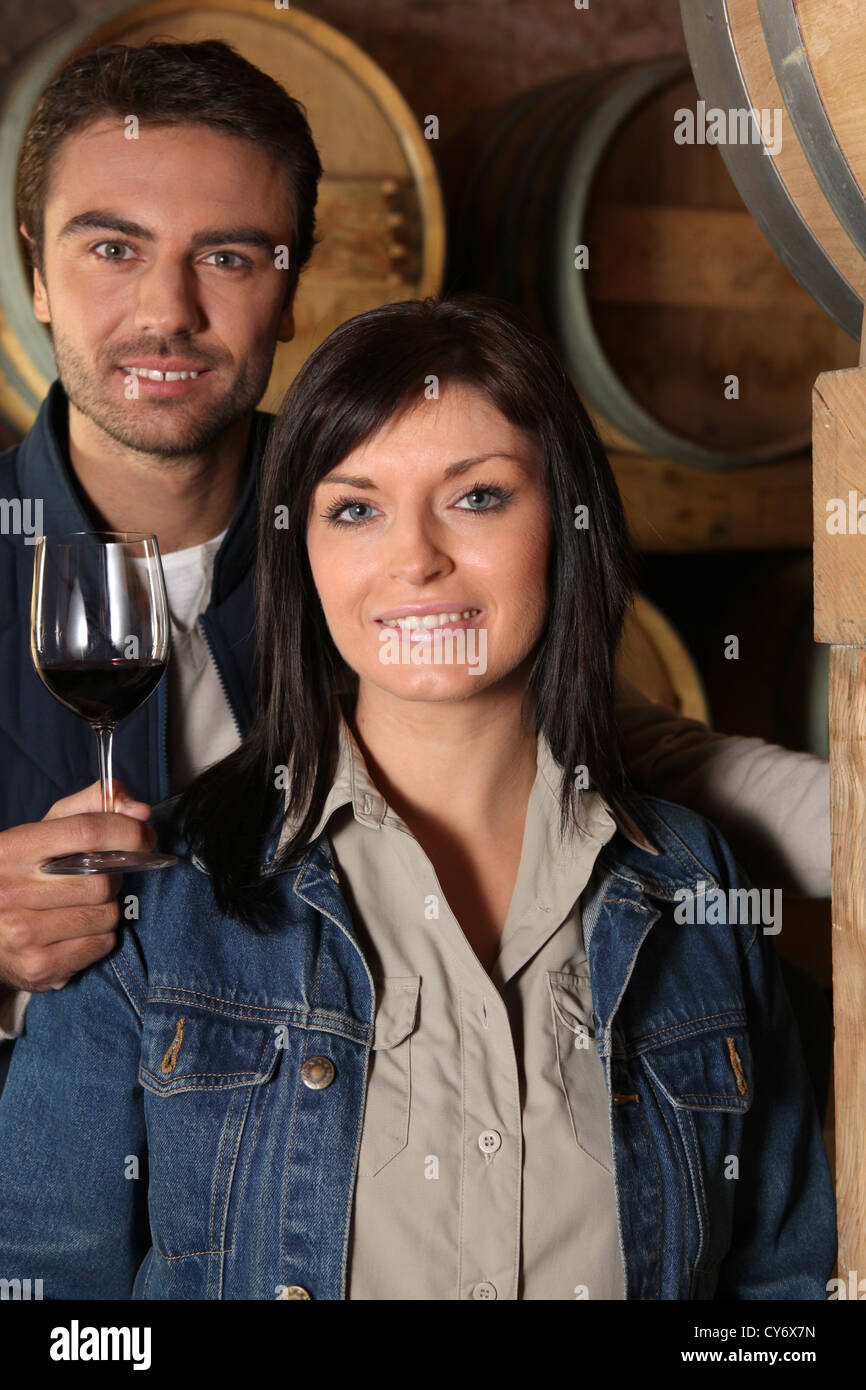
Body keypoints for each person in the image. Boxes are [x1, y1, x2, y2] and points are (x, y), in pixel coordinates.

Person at [0, 39, 831, 1104]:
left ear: (290, 285)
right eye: (112, 250)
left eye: (228, 256)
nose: (168, 311)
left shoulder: (367, 538)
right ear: (34, 272)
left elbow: (633, 755)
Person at [0, 294, 836, 1300]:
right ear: (300, 559)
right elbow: (47, 1297)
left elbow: (775, 1293)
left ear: (567, 523)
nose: (415, 559)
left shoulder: (696, 887)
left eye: (476, 497)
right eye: (355, 507)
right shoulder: (161, 901)